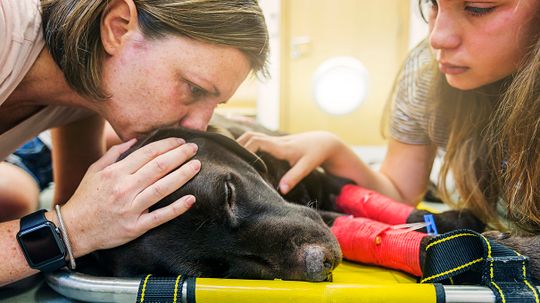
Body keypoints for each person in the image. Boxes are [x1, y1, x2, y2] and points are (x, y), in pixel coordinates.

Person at [0, 0, 268, 286]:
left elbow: (74, 204)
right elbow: (74, 223)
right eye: (194, 88)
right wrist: (72, 230)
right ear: (118, 27)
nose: (198, 126)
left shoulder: (90, 97)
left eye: (215, 104)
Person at [238, 0, 540, 235]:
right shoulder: (427, 73)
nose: (438, 38)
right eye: (432, 5)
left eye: (478, 8)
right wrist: (332, 148)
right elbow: (400, 195)